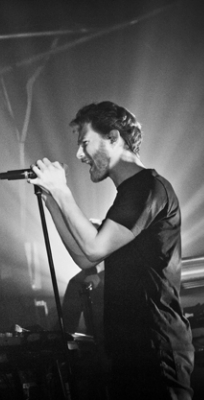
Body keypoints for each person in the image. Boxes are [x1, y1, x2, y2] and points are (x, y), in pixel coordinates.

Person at [28, 101, 194, 400]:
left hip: (156, 346)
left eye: (85, 143)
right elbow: (84, 257)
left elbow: (93, 248)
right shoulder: (129, 194)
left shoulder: (146, 188)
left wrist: (63, 190)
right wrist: (51, 199)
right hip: (129, 347)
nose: (79, 155)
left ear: (114, 137)